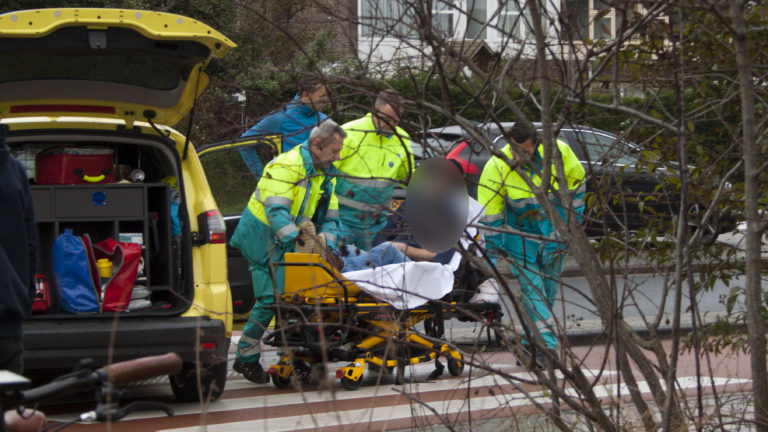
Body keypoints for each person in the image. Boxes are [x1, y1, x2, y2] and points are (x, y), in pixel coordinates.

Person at [230, 119, 345, 383]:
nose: (337, 156)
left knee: (293, 299)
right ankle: (245, 358)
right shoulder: (286, 166)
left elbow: (331, 214)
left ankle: (290, 359)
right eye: (334, 151)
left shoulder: (325, 171)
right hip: (261, 237)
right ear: (317, 145)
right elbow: (276, 213)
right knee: (272, 299)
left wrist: (323, 241)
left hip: (288, 239)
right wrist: (304, 242)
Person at [477, 120, 585, 361]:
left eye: (524, 151)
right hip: (520, 239)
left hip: (554, 237)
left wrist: (570, 230)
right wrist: (492, 256)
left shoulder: (559, 153)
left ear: (536, 146)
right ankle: (548, 349)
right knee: (533, 290)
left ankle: (527, 343)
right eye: (514, 150)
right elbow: (490, 217)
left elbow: (578, 191)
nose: (518, 155)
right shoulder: (496, 166)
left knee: (546, 293)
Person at [334, 89, 415, 250]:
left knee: (372, 270)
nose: (391, 124)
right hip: (341, 221)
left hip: (376, 225)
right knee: (338, 267)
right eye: (386, 119)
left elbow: (410, 180)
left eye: (395, 120)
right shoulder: (350, 133)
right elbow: (324, 175)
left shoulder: (403, 140)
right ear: (374, 110)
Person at [239, 73, 329, 177]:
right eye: (322, 96)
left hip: (320, 190)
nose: (326, 100)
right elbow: (244, 144)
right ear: (305, 95)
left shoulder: (326, 120)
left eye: (327, 95)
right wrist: (263, 178)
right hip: (289, 188)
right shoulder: (281, 116)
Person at [0, 124, 37, 376]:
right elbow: (30, 242)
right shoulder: (15, 170)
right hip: (8, 316)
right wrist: (25, 296)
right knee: (12, 407)